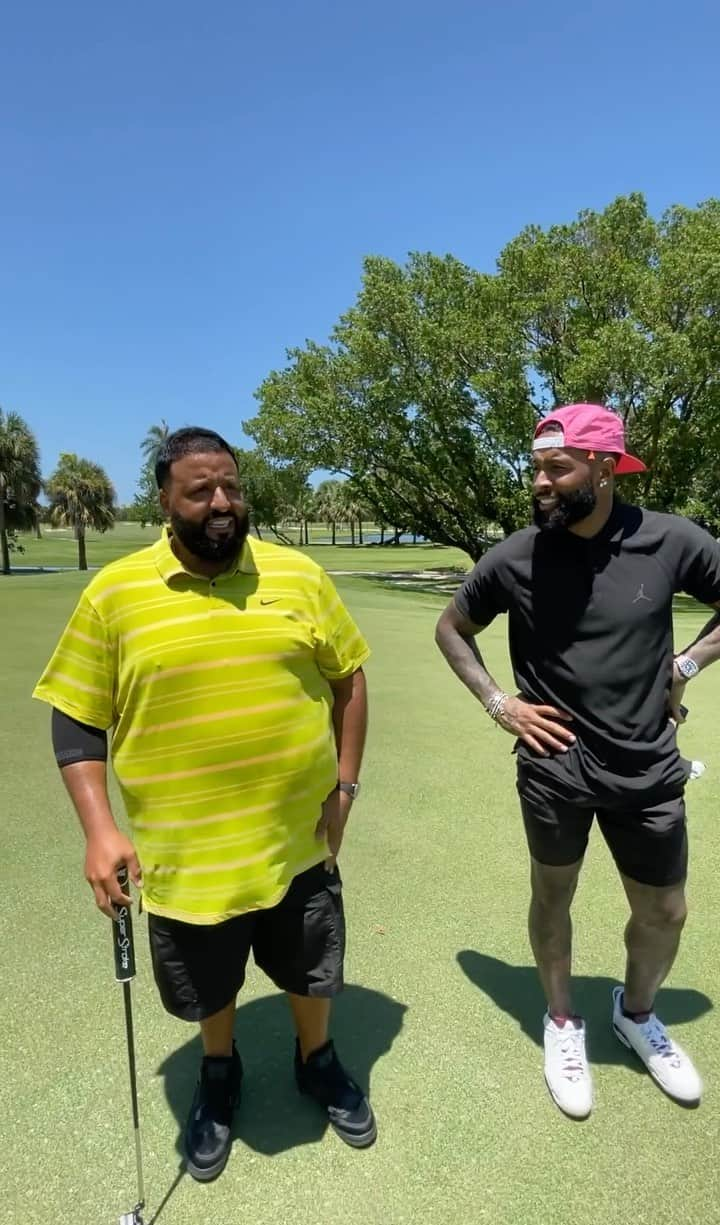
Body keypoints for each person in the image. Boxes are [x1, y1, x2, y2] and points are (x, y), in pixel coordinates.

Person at [34, 426, 376, 1180]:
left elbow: (348, 677)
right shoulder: (115, 593)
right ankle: (219, 1074)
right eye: (200, 490)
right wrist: (98, 831)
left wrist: (345, 786)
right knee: (208, 986)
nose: (222, 502)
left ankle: (315, 1059)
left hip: (299, 842)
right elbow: (77, 718)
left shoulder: (299, 576)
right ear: (164, 499)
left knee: (309, 966)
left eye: (230, 486)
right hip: (186, 855)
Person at [435, 403, 720, 1119]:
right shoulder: (517, 556)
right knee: (552, 897)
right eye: (535, 467)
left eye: (556, 468)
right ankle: (562, 1020)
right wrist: (502, 704)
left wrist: (685, 663)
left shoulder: (671, 540)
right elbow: (452, 628)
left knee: (666, 910)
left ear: (604, 466)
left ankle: (637, 1012)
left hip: (648, 768)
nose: (540, 481)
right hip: (554, 769)